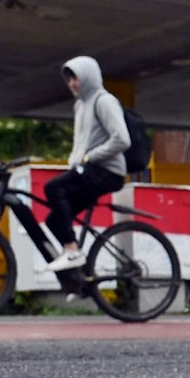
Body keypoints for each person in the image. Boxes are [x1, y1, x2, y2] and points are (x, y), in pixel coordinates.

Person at [43, 56, 130, 271]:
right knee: (54, 221)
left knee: (53, 187)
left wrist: (91, 157)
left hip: (108, 172)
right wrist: (75, 163)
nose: (72, 84)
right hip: (90, 169)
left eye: (76, 78)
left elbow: (122, 139)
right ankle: (78, 277)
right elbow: (81, 143)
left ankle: (73, 250)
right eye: (69, 79)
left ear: (89, 77)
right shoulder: (80, 105)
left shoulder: (104, 101)